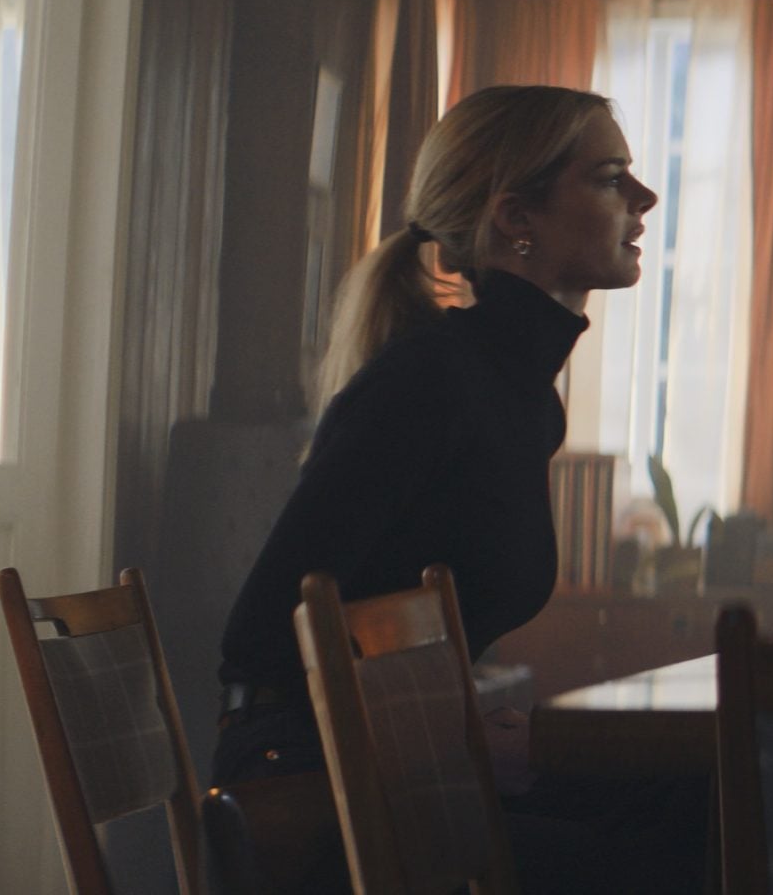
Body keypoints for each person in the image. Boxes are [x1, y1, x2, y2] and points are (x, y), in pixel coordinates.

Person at [213, 85, 700, 891]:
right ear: (516, 218)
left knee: (690, 801)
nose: (644, 198)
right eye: (611, 178)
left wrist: (460, 733)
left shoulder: (518, 396)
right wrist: (440, 743)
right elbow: (264, 634)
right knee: (663, 850)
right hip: (318, 790)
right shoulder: (431, 383)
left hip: (407, 766)